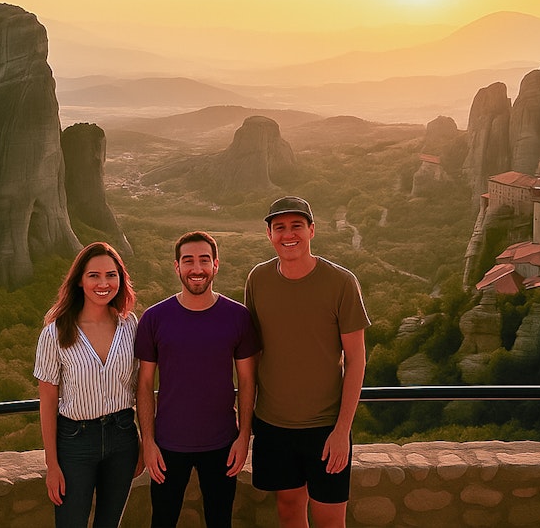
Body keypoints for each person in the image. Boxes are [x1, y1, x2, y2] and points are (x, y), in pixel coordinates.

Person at [244, 196, 370, 528]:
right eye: (279, 227)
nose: (289, 234)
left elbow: (356, 359)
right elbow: (252, 352)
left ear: (312, 230)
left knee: (330, 518)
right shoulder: (257, 279)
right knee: (288, 510)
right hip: (273, 426)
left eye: (297, 226)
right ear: (269, 234)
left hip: (325, 428)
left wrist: (342, 430)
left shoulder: (341, 282)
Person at [135, 231, 260, 527]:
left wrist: (244, 437)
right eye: (188, 260)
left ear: (216, 265)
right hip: (167, 444)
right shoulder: (154, 318)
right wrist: (148, 443)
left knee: (220, 521)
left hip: (222, 443)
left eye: (204, 260)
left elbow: (247, 382)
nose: (196, 268)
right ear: (177, 266)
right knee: (162, 521)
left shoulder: (237, 317)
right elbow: (143, 385)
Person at [33, 242, 144, 528]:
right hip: (75, 442)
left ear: (121, 279)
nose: (103, 283)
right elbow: (47, 401)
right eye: (94, 275)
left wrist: (145, 442)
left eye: (111, 275)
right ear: (79, 281)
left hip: (123, 437)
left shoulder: (130, 325)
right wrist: (52, 465)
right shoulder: (55, 332)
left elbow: (139, 389)